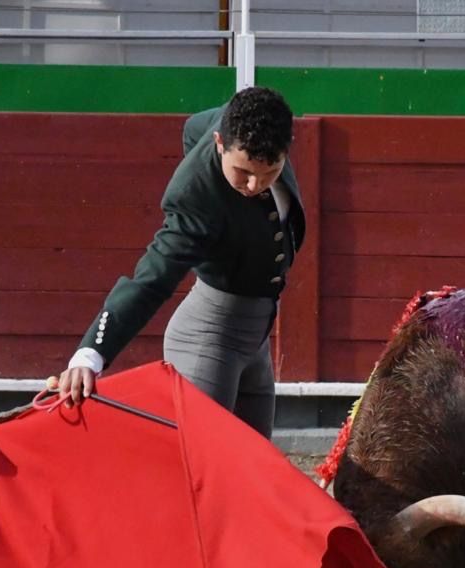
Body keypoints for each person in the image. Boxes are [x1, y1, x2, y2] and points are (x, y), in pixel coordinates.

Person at [54, 85, 305, 440]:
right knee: (205, 476)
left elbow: (193, 126)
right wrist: (90, 354)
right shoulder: (197, 199)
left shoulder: (251, 123)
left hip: (255, 341)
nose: (254, 185)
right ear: (220, 143)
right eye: (243, 172)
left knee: (251, 475)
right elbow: (152, 277)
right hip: (208, 342)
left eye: (270, 173)